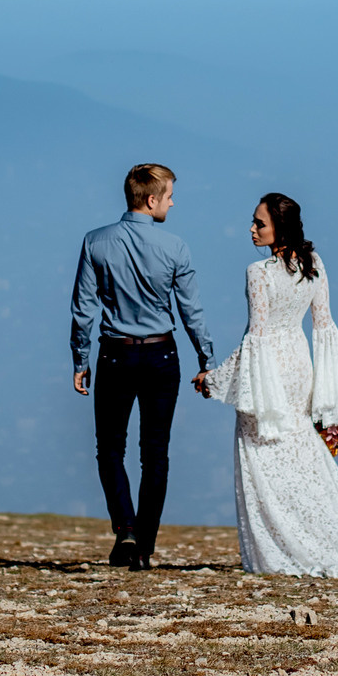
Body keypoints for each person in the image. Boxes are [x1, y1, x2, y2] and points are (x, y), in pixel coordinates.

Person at [199, 192, 338, 576]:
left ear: (280, 227)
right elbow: (324, 327)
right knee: (304, 458)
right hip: (300, 365)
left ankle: (282, 547)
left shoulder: (257, 272)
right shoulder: (314, 265)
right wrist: (336, 388)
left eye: (259, 223)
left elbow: (256, 338)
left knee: (261, 458)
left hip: (269, 372)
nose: (252, 229)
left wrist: (212, 379)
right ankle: (333, 536)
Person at [70, 162, 216, 571]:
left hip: (114, 354)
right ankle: (145, 545)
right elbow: (192, 312)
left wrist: (80, 360)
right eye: (169, 195)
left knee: (109, 448)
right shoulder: (175, 247)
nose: (172, 201)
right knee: (155, 453)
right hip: (161, 355)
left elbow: (83, 310)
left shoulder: (94, 242)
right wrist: (208, 361)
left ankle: (126, 530)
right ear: (151, 200)